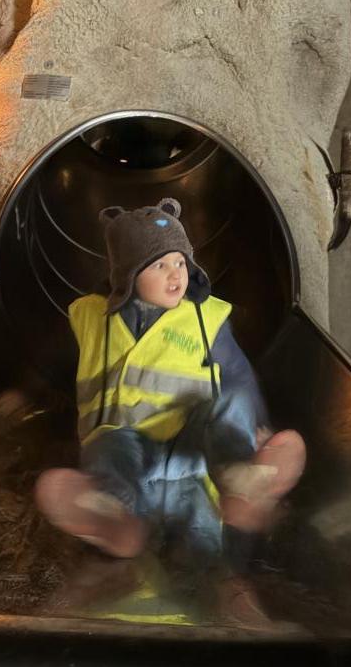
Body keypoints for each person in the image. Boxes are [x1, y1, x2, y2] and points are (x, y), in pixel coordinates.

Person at [35, 198, 306, 561]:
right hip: (129, 451)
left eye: (180, 262)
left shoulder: (205, 317)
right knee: (109, 445)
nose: (176, 275)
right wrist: (27, 391)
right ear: (128, 276)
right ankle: (111, 511)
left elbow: (240, 376)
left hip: (191, 452)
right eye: (160, 265)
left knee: (229, 400)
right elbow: (55, 358)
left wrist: (258, 424)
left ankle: (243, 480)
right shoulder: (90, 316)